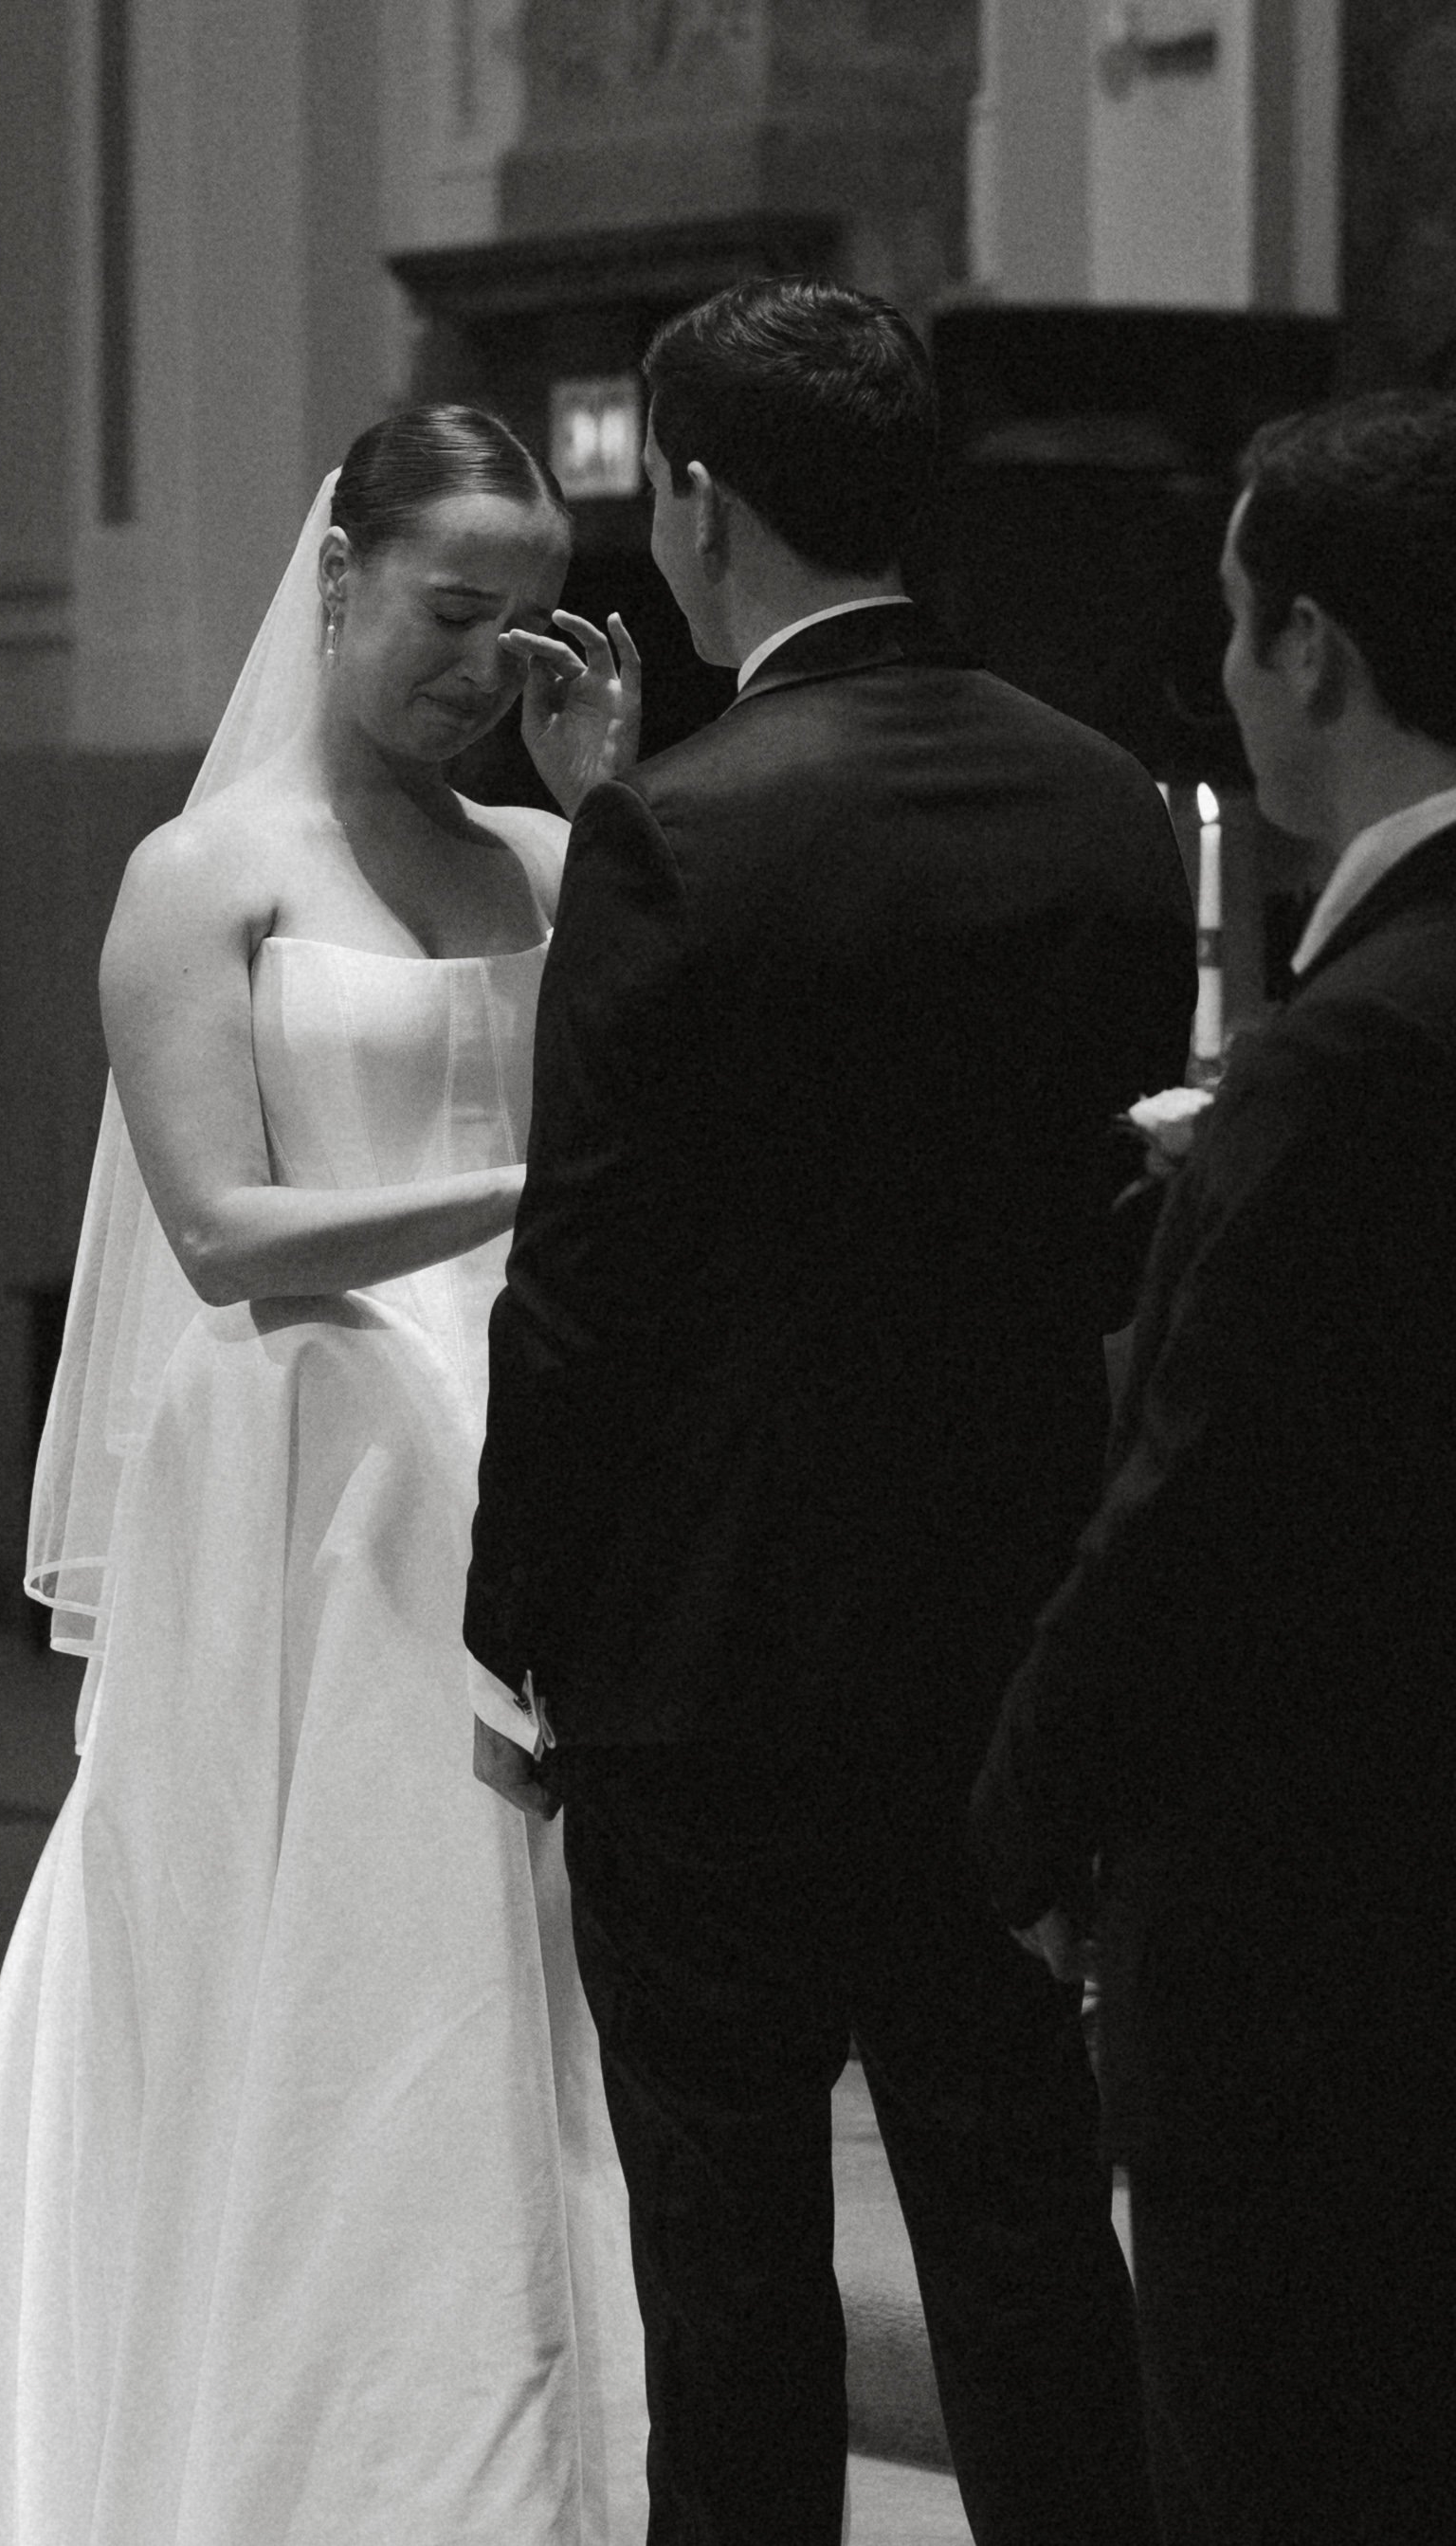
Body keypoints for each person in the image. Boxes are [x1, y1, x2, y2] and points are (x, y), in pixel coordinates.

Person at [0, 407, 648, 2544]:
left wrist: (618, 805)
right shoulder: (204, 875)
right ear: (333, 577)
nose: (478, 663)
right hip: (314, 1463)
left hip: (524, 1438)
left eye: (517, 620)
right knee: (334, 1946)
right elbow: (228, 1235)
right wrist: (537, 1181)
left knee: (519, 1971)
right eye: (445, 611)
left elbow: (683, 1060)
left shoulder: (547, 862)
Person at [465, 277, 1195, 2546]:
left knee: (734, 2272)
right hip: (997, 1636)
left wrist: (514, 1625)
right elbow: (1095, 1231)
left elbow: (580, 1291)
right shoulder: (1102, 803)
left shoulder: (676, 832)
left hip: (712, 1668)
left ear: (688, 501)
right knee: (1017, 2238)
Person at [971, 391, 1456, 2544]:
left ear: (1312, 656)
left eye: (1237, 624)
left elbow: (1197, 1504)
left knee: (1283, 2451)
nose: (1232, 671)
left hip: (1312, 1926)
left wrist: (1017, 1809)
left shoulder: (1344, 1051)